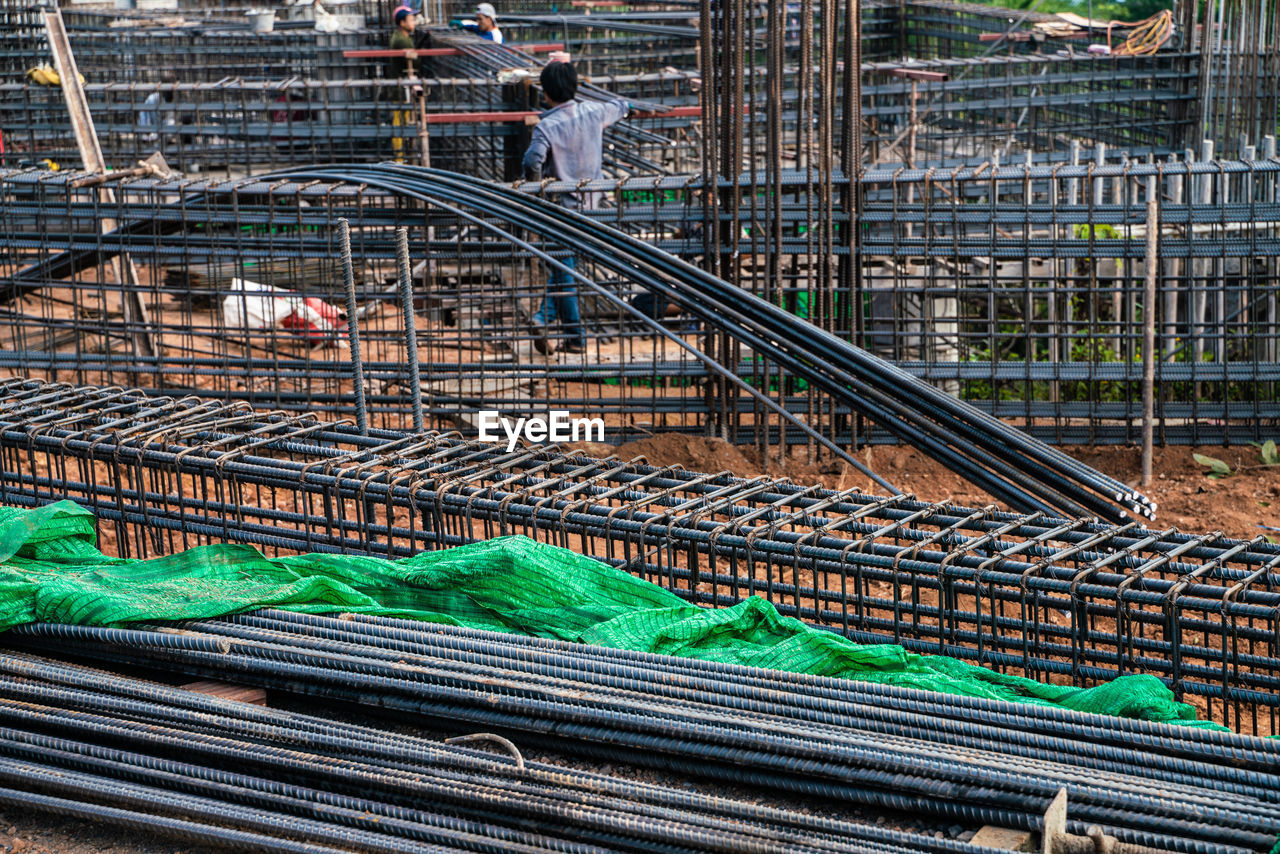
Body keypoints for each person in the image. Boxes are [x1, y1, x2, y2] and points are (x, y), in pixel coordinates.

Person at [521, 61, 628, 355]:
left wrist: (538, 180)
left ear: (546, 93)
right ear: (575, 88)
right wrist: (628, 106)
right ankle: (560, 330)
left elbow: (532, 162)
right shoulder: (594, 112)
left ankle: (558, 327)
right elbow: (620, 105)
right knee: (565, 268)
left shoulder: (547, 126)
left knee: (564, 269)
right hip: (593, 206)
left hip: (562, 208)